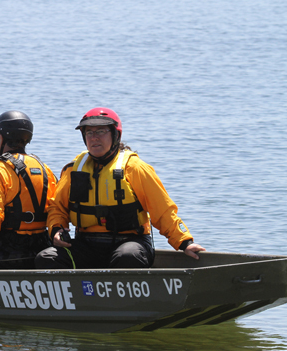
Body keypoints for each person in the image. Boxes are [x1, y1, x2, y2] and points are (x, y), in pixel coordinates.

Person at [35, 107, 206, 270]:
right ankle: (78, 298)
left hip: (130, 242)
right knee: (47, 258)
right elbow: (57, 208)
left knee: (127, 257)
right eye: (89, 132)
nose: (94, 137)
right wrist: (56, 229)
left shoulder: (135, 167)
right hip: (86, 244)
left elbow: (163, 211)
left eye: (101, 131)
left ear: (116, 134)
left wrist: (185, 242)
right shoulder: (73, 169)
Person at [0, 110, 58, 270]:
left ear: (0, 138)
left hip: (7, 251)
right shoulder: (45, 169)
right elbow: (57, 209)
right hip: (40, 247)